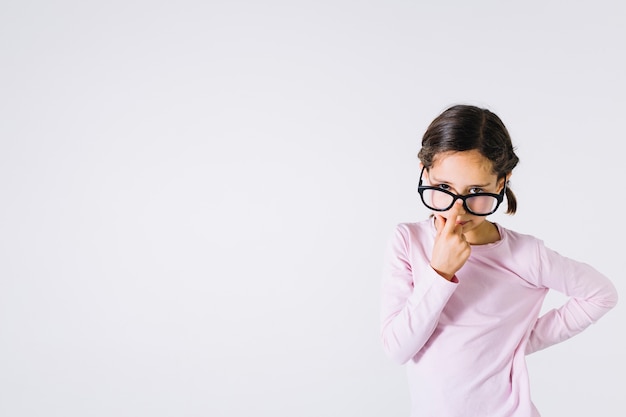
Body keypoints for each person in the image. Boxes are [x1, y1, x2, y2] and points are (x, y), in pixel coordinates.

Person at [379, 104, 618, 417]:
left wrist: (517, 342)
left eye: (476, 190)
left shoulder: (525, 255)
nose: (456, 210)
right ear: (424, 172)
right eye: (443, 188)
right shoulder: (408, 241)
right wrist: (439, 272)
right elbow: (397, 349)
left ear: (502, 183)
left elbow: (601, 294)